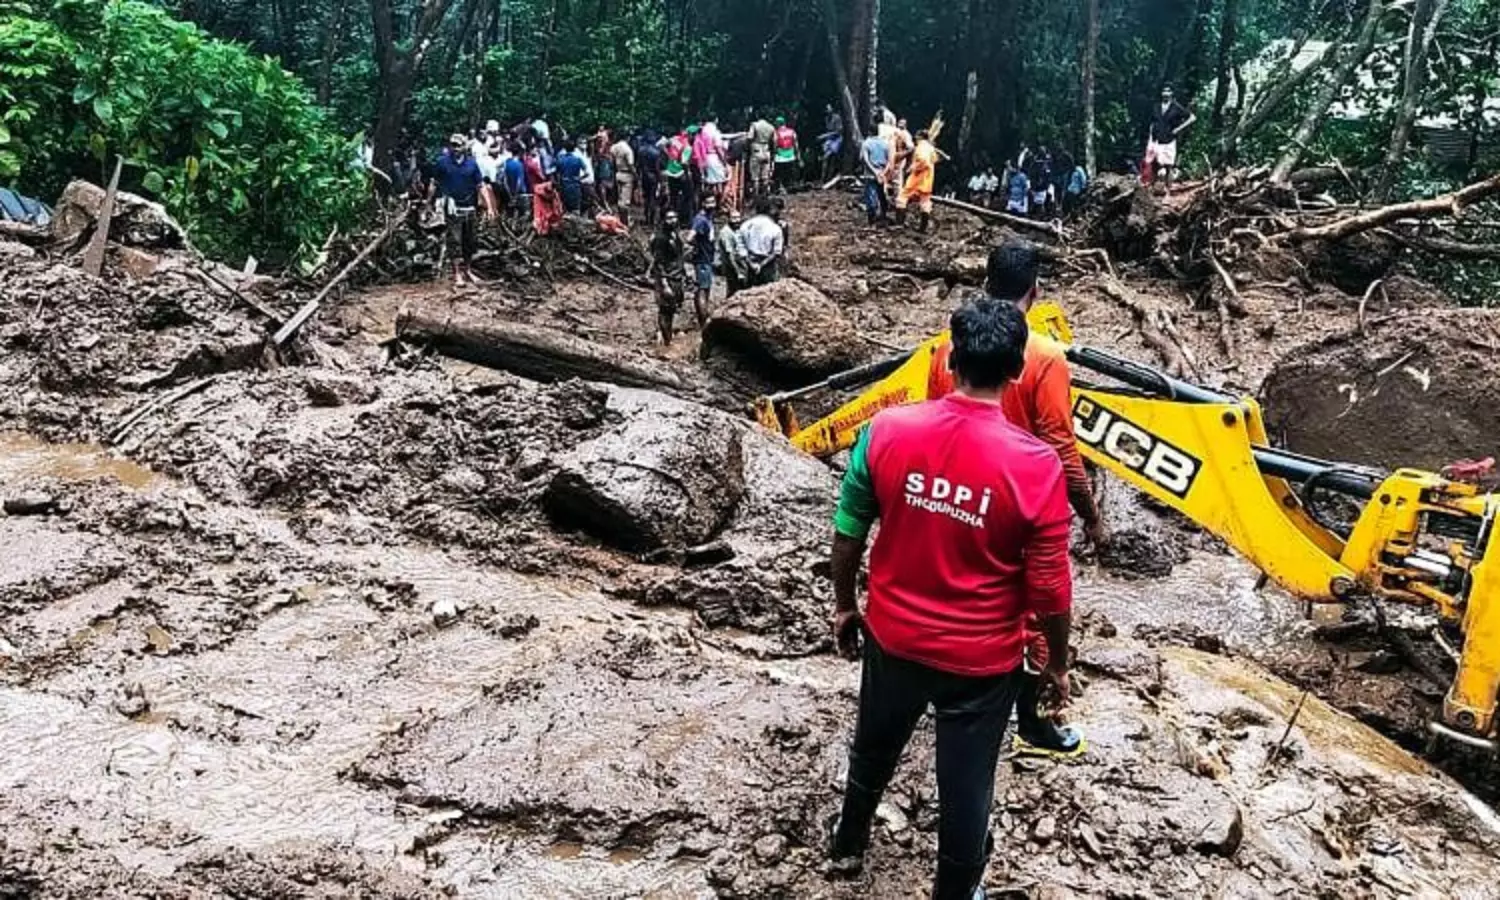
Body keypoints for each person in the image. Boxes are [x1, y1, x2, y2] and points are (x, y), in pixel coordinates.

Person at [827, 294, 1074, 900]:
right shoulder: (1038, 466)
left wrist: (844, 604)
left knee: (873, 746)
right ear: (1017, 369)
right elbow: (1050, 587)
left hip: (893, 637)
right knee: (967, 788)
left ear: (949, 360)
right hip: (981, 664)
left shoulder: (887, 430)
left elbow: (849, 527)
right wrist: (1056, 663)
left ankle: (848, 844)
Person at [925, 241, 1106, 759]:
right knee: (1035, 615)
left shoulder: (947, 349)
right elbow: (1062, 448)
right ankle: (1035, 723)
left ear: (986, 284)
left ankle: (950, 695)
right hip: (1020, 502)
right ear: (1036, 291)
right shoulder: (1044, 358)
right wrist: (1089, 515)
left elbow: (936, 420)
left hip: (958, 496)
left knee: (957, 594)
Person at [428, 133, 491, 285]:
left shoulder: (472, 164)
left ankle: (468, 270)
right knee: (454, 240)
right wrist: (428, 202)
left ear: (464, 147)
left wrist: (489, 206)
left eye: (458, 145)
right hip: (452, 207)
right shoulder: (442, 162)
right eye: (453, 145)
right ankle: (457, 273)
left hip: (470, 206)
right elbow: (434, 183)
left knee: (470, 241)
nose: (455, 148)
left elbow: (481, 185)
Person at [648, 210, 688, 344]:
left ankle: (668, 337)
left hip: (677, 276)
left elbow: (679, 256)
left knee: (672, 309)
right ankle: (667, 342)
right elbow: (658, 263)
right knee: (664, 310)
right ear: (664, 220)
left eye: (675, 217)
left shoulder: (675, 234)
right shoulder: (660, 238)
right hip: (666, 278)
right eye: (669, 218)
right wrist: (664, 284)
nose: (673, 220)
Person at [1148, 86, 1196, 192]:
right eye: (1164, 91)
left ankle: (1168, 190)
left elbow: (1192, 118)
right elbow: (1152, 123)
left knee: (1168, 166)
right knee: (1155, 164)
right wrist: (1150, 138)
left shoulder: (1176, 107)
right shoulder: (1156, 106)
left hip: (1169, 139)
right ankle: (1152, 189)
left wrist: (1178, 129)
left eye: (1168, 91)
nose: (1165, 93)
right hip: (1156, 139)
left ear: (1171, 93)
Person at [894, 129, 938, 232]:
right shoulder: (931, 148)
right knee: (925, 202)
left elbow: (923, 161)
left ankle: (899, 224)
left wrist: (913, 168)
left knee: (902, 198)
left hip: (917, 178)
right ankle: (923, 228)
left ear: (919, 137)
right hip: (928, 179)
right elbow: (935, 159)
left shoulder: (921, 147)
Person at [737, 196, 784, 286]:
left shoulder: (745, 225)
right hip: (768, 265)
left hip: (750, 264)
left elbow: (741, 248)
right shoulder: (775, 228)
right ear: (769, 210)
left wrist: (751, 264)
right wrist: (761, 265)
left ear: (755, 210)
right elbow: (777, 252)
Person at [689, 196, 717, 327]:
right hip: (702, 259)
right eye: (708, 202)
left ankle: (703, 316)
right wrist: (697, 246)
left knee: (706, 288)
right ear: (703, 203)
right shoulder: (700, 219)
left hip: (707, 258)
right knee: (703, 289)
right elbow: (690, 237)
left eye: (713, 202)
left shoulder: (708, 218)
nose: (712, 205)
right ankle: (703, 321)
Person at [860, 127, 892, 224]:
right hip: (882, 173)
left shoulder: (866, 143)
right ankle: (883, 215)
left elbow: (865, 159)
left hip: (870, 174)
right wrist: (883, 173)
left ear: (869, 132)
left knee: (870, 195)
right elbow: (889, 161)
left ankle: (872, 219)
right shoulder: (885, 143)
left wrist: (875, 172)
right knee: (882, 194)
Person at [715, 207, 747, 297]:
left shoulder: (735, 231)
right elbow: (730, 255)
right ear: (728, 219)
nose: (737, 220)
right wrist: (738, 272)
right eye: (734, 218)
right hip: (731, 268)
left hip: (738, 265)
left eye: (738, 217)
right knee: (734, 291)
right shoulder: (726, 233)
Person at [665, 128, 695, 222]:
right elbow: (684, 162)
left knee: (673, 197)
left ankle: (672, 218)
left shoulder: (673, 140)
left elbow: (663, 145)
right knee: (687, 198)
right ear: (689, 135)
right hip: (681, 174)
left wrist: (668, 157)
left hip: (670, 172)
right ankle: (685, 219)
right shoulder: (687, 147)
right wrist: (688, 173)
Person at [638, 130, 664, 226]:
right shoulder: (656, 152)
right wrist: (660, 180)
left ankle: (646, 217)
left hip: (644, 176)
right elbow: (657, 168)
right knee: (653, 198)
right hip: (653, 177)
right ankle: (651, 220)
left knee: (646, 198)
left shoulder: (640, 150)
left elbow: (639, 165)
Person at [611, 131, 637, 224]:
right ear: (627, 138)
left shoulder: (614, 147)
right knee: (625, 201)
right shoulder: (628, 149)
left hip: (618, 173)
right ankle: (624, 221)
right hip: (627, 174)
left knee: (619, 197)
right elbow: (630, 164)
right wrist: (635, 174)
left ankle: (620, 217)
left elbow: (611, 159)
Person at [748, 113, 777, 197]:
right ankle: (765, 195)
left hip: (756, 151)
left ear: (758, 116)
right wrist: (773, 152)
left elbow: (749, 137)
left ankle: (756, 196)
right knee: (765, 177)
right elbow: (775, 141)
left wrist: (747, 147)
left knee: (755, 177)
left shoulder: (754, 125)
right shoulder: (771, 127)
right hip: (766, 151)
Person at [556, 138, 587, 213]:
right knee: (576, 209)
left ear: (565, 149)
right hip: (575, 185)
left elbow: (557, 174)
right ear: (574, 149)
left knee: (566, 210)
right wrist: (579, 178)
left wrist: (559, 183)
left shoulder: (560, 160)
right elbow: (587, 173)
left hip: (565, 186)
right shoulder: (578, 159)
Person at [772, 116, 800, 192]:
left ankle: (781, 187)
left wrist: (773, 153)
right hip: (791, 155)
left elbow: (775, 144)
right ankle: (789, 187)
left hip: (780, 156)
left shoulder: (776, 132)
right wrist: (798, 155)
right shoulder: (792, 131)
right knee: (789, 172)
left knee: (780, 173)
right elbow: (796, 144)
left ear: (778, 123)